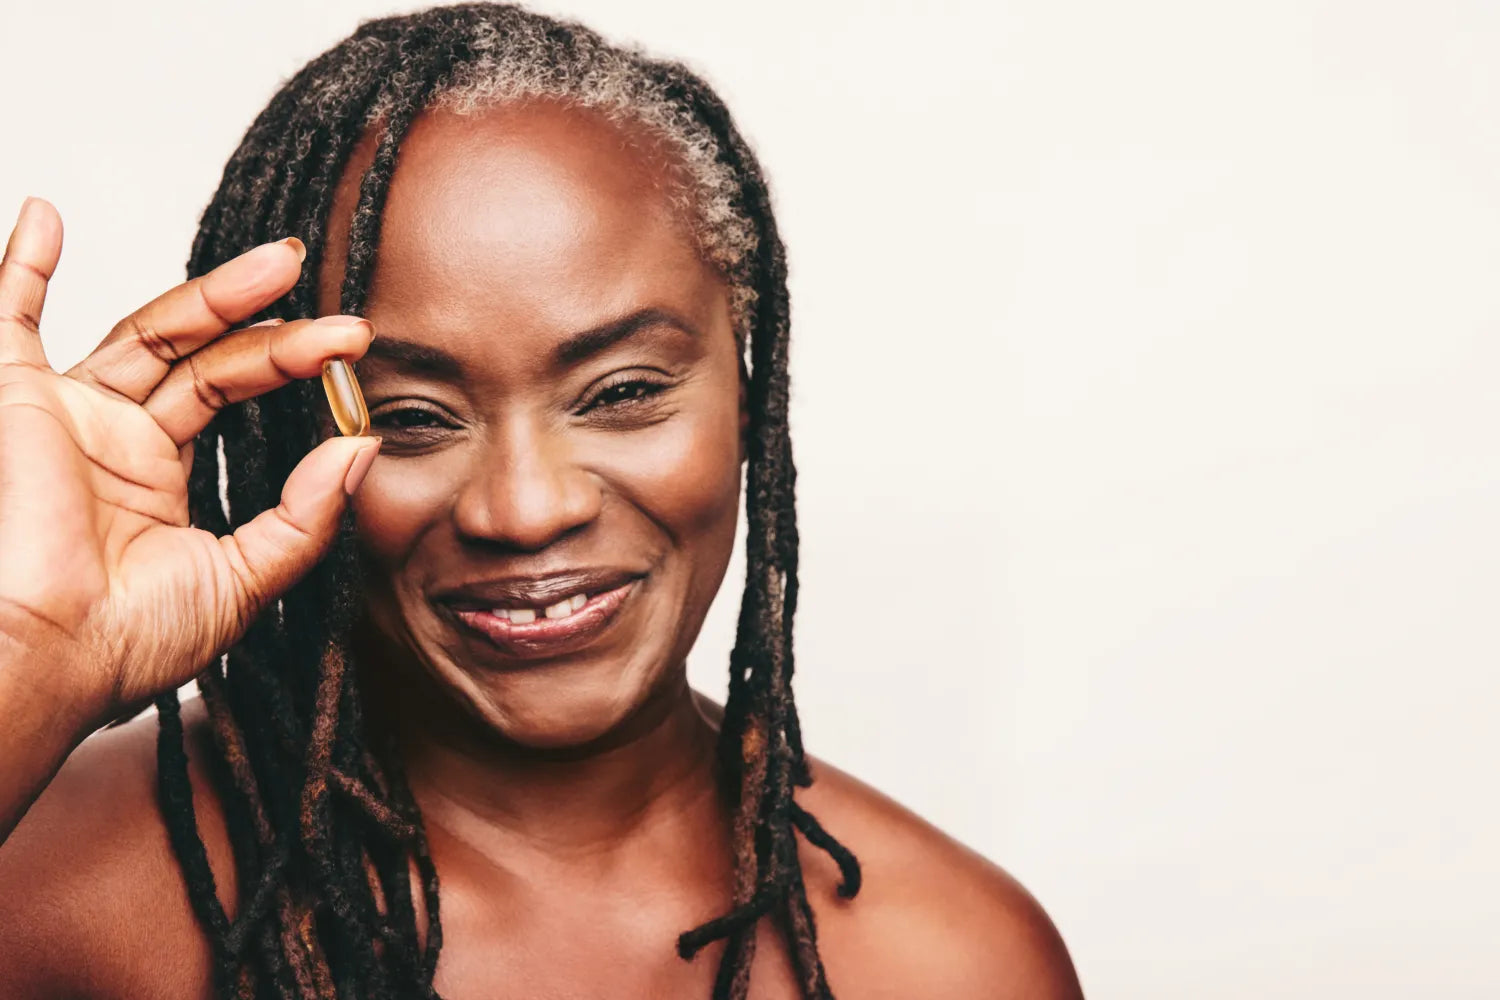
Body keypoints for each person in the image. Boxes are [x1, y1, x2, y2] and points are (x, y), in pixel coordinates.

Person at [0, 4, 1084, 997]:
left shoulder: (953, 957)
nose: (523, 509)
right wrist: (18, 658)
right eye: (412, 417)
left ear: (748, 401)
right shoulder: (56, 894)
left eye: (621, 394)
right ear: (290, 429)